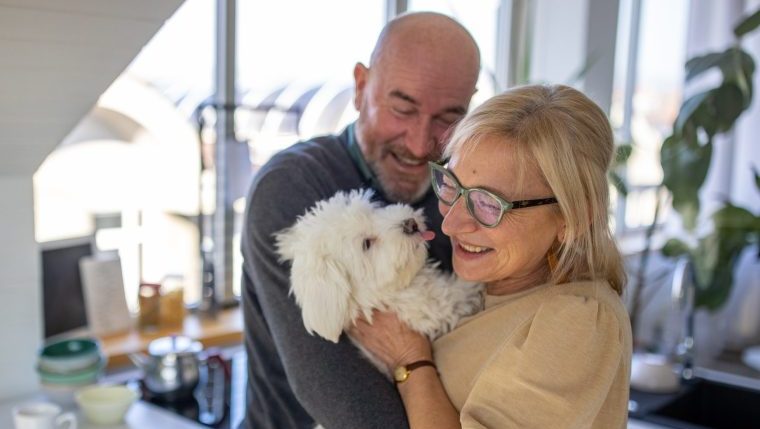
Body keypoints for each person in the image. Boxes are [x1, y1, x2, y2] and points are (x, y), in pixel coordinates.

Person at [240, 12, 480, 429]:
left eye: (447, 117)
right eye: (403, 108)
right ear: (360, 87)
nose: (421, 143)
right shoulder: (293, 188)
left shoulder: (464, 196)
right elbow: (354, 413)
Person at [350, 84, 633, 429]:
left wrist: (411, 362)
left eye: (488, 204)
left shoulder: (578, 323)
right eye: (451, 185)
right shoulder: (491, 289)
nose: (451, 223)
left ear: (573, 218)